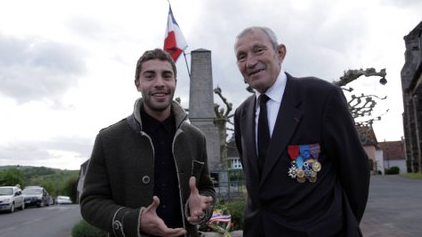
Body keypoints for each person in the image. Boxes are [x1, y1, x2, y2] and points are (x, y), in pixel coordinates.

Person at [233, 26, 370, 236]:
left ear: (280, 53)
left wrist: (340, 226)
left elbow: (355, 171)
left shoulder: (321, 97)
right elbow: (256, 183)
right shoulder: (242, 114)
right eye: (242, 56)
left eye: (258, 50)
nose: (250, 62)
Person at [80, 48, 215, 237]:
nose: (160, 83)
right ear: (137, 83)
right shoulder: (108, 139)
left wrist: (201, 205)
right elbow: (90, 203)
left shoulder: (196, 138)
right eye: (150, 76)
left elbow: (206, 188)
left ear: (175, 82)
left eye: (167, 76)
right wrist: (135, 220)